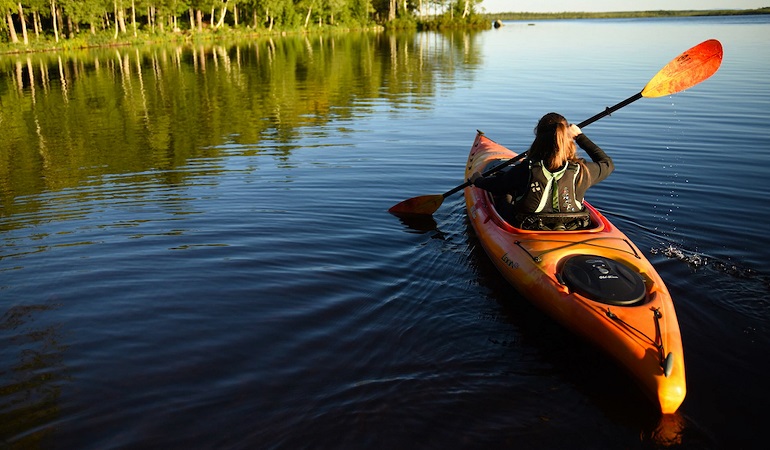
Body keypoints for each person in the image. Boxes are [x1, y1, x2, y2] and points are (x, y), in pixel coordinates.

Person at [469, 112, 614, 230]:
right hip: (574, 226)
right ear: (566, 137)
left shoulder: (526, 170)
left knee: (505, 194)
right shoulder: (582, 170)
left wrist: (477, 180)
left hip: (529, 227)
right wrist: (580, 137)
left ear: (538, 137)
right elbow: (607, 163)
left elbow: (496, 184)